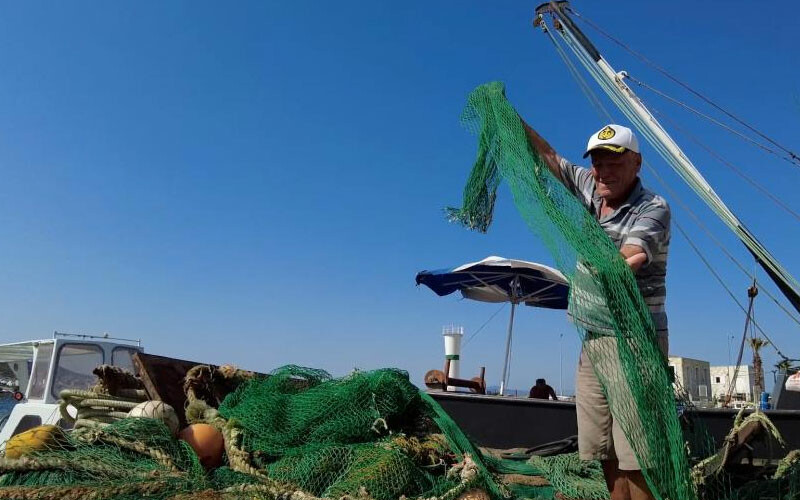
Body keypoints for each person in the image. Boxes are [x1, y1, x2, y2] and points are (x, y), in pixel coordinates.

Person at [521, 121, 670, 500]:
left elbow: (629, 258)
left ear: (636, 163)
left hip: (634, 341)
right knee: (603, 448)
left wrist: (604, 263)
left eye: (615, 162)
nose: (605, 171)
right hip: (594, 338)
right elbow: (551, 158)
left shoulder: (652, 208)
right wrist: (510, 118)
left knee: (638, 452)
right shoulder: (591, 187)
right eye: (599, 162)